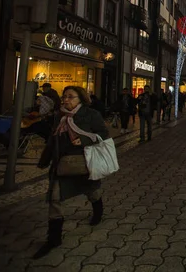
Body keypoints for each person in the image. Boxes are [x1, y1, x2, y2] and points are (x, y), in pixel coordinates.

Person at [34, 86, 109, 259]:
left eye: (70, 97)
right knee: (54, 198)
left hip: (82, 163)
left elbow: (103, 134)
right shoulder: (60, 116)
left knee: (92, 190)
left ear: (80, 99)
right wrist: (45, 160)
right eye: (64, 96)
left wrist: (82, 140)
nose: (66, 100)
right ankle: (54, 238)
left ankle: (98, 209)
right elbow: (52, 139)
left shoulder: (91, 115)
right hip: (61, 164)